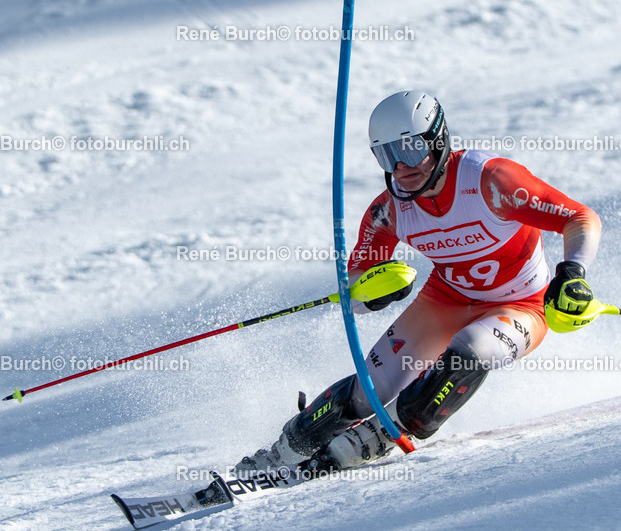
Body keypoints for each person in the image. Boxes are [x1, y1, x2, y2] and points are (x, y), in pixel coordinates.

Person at [237, 90, 602, 475]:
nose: (401, 167)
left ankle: (364, 444)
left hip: (521, 305)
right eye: (386, 155)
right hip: (445, 300)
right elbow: (355, 292)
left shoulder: (492, 181)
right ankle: (283, 452)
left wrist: (573, 272)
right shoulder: (389, 210)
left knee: (471, 349)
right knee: (370, 390)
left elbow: (580, 218)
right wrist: (373, 292)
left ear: (438, 140)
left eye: (410, 150)